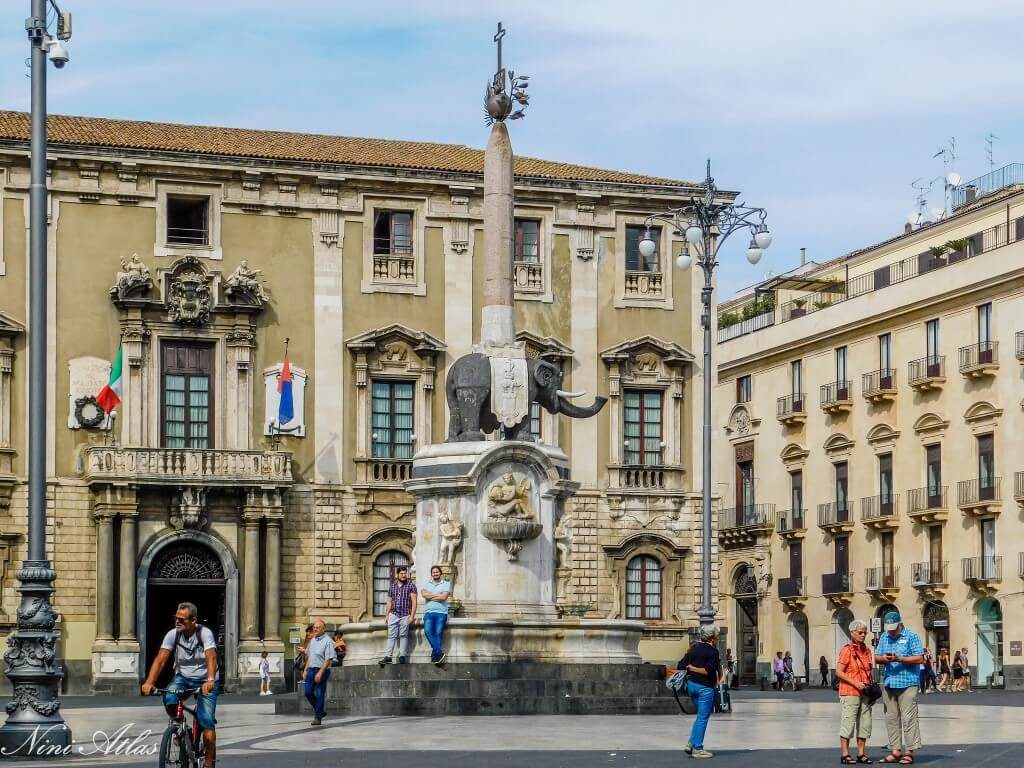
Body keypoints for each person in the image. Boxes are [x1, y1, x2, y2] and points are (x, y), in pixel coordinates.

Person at [141, 602, 219, 768]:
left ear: (193, 621)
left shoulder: (205, 634)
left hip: (206, 679)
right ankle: (182, 728)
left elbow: (211, 657)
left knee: (206, 721)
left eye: (182, 620)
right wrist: (149, 682)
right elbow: (160, 660)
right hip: (183, 677)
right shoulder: (173, 634)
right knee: (169, 697)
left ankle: (208, 760)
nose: (177, 622)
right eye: (176, 618)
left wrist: (210, 680)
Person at [874, 611, 924, 764]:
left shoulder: (911, 636)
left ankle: (909, 751)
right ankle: (895, 750)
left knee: (909, 718)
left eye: (893, 628)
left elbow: (920, 658)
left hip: (908, 682)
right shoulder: (884, 636)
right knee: (891, 718)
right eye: (889, 628)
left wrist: (901, 658)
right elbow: (876, 656)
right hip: (890, 683)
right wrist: (885, 658)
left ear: (900, 623)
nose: (891, 631)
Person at [679, 624, 723, 759]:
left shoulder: (694, 649)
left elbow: (680, 665)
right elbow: (708, 671)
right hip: (704, 688)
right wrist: (693, 668)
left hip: (691, 686)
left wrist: (690, 667)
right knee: (703, 718)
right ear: (713, 637)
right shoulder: (713, 651)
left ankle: (691, 743)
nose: (718, 638)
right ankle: (698, 748)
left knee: (700, 717)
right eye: (717, 636)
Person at [836, 619, 875, 764]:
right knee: (848, 722)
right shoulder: (847, 650)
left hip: (865, 692)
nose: (863, 635)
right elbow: (839, 672)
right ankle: (845, 754)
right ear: (852, 633)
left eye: (865, 632)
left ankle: (861, 753)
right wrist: (855, 683)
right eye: (860, 632)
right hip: (850, 691)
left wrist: (870, 689)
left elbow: (869, 671)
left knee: (865, 723)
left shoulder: (867, 651)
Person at [379, 564, 417, 666]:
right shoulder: (392, 586)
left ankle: (402, 656)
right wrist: (387, 615)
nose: (404, 575)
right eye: (401, 573)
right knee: (391, 636)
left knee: (403, 635)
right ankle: (388, 657)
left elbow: (414, 602)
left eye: (405, 573)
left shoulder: (411, 586)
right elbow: (389, 601)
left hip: (405, 615)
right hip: (394, 614)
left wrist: (412, 616)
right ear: (397, 575)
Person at [303, 619, 334, 726]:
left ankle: (318, 718)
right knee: (307, 692)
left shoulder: (328, 641)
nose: (315, 629)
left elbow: (328, 659)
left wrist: (320, 672)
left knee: (320, 693)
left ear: (323, 629)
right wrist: (305, 669)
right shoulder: (313, 640)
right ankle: (320, 711)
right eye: (314, 627)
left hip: (322, 670)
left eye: (318, 627)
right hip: (311, 670)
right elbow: (310, 656)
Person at [421, 565, 452, 665]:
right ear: (431, 574)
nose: (435, 574)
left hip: (441, 612)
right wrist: (438, 595)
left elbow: (444, 597)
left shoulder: (446, 583)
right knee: (427, 631)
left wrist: (431, 596)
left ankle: (435, 655)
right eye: (433, 572)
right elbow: (424, 595)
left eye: (437, 572)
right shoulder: (427, 584)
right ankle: (438, 653)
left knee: (438, 633)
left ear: (440, 573)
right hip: (429, 612)